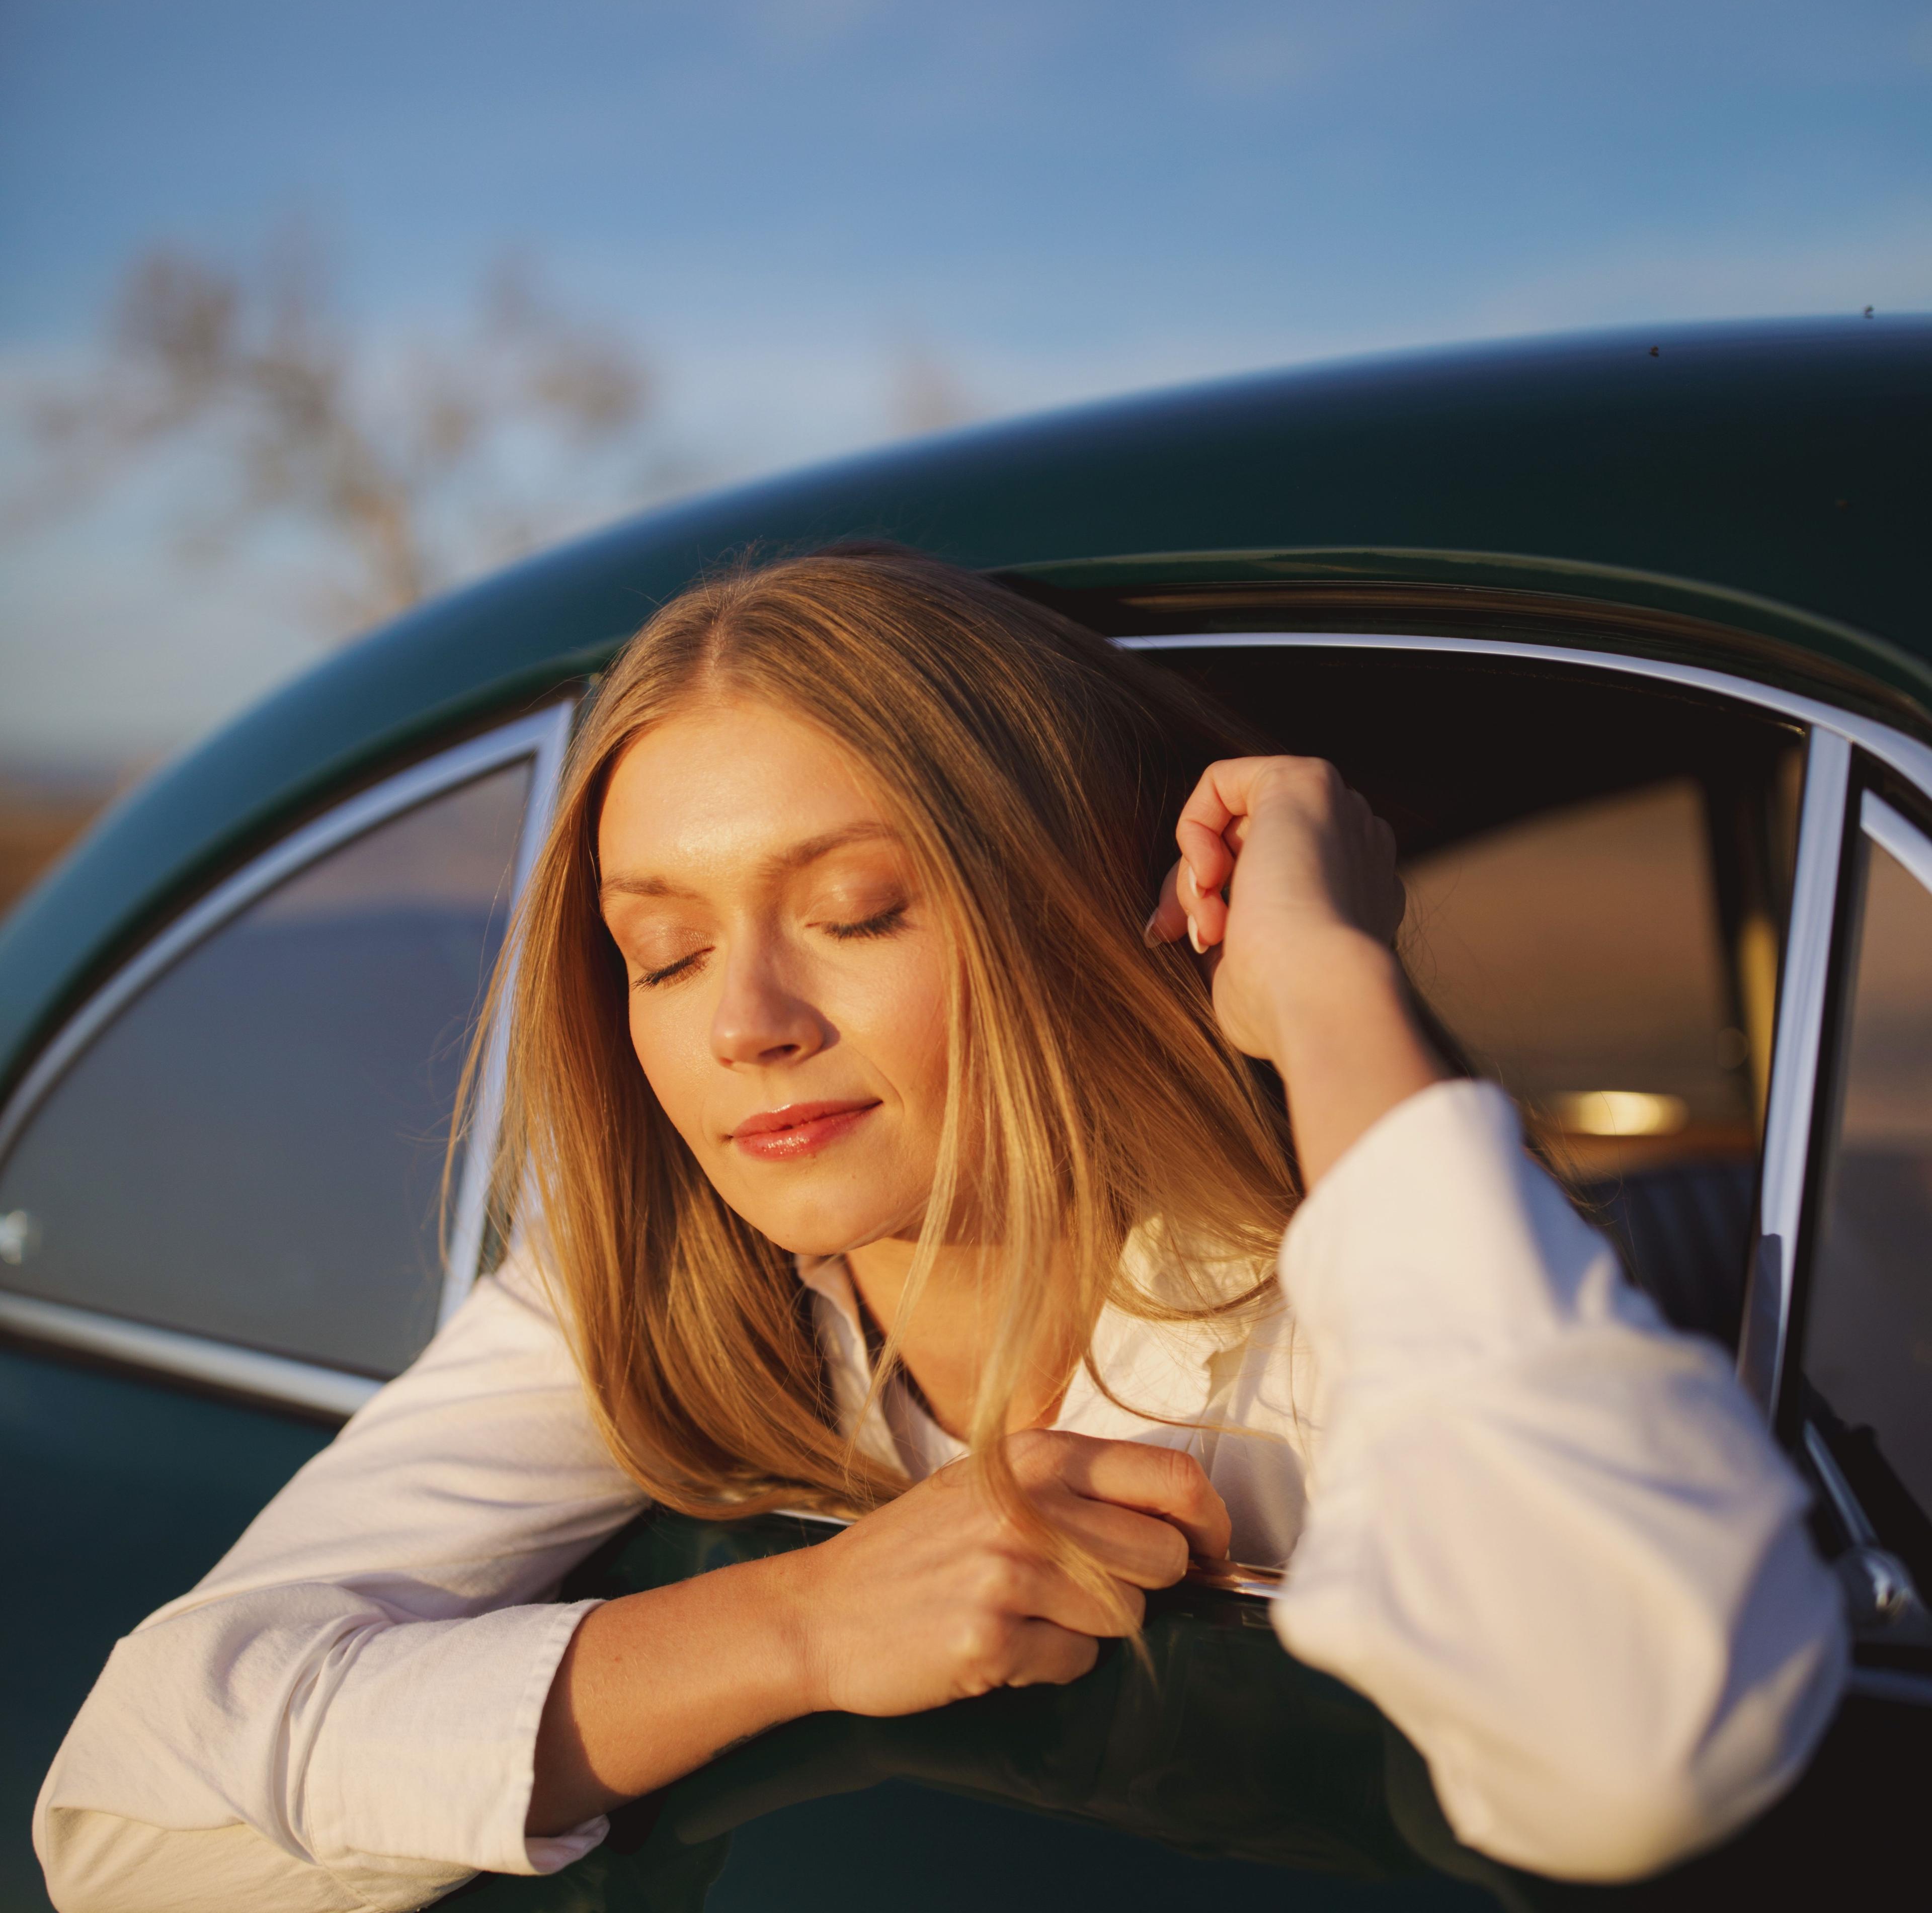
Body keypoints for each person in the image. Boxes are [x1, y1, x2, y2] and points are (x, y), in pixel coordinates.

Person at [36, 548, 1845, 1910]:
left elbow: (1630, 1742)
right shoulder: (654, 1280)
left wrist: (1332, 990)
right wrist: (805, 1627)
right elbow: (120, 1829)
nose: (744, 1019)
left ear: (1079, 907)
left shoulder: (1330, 1310)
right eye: (660, 950)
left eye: (856, 910)